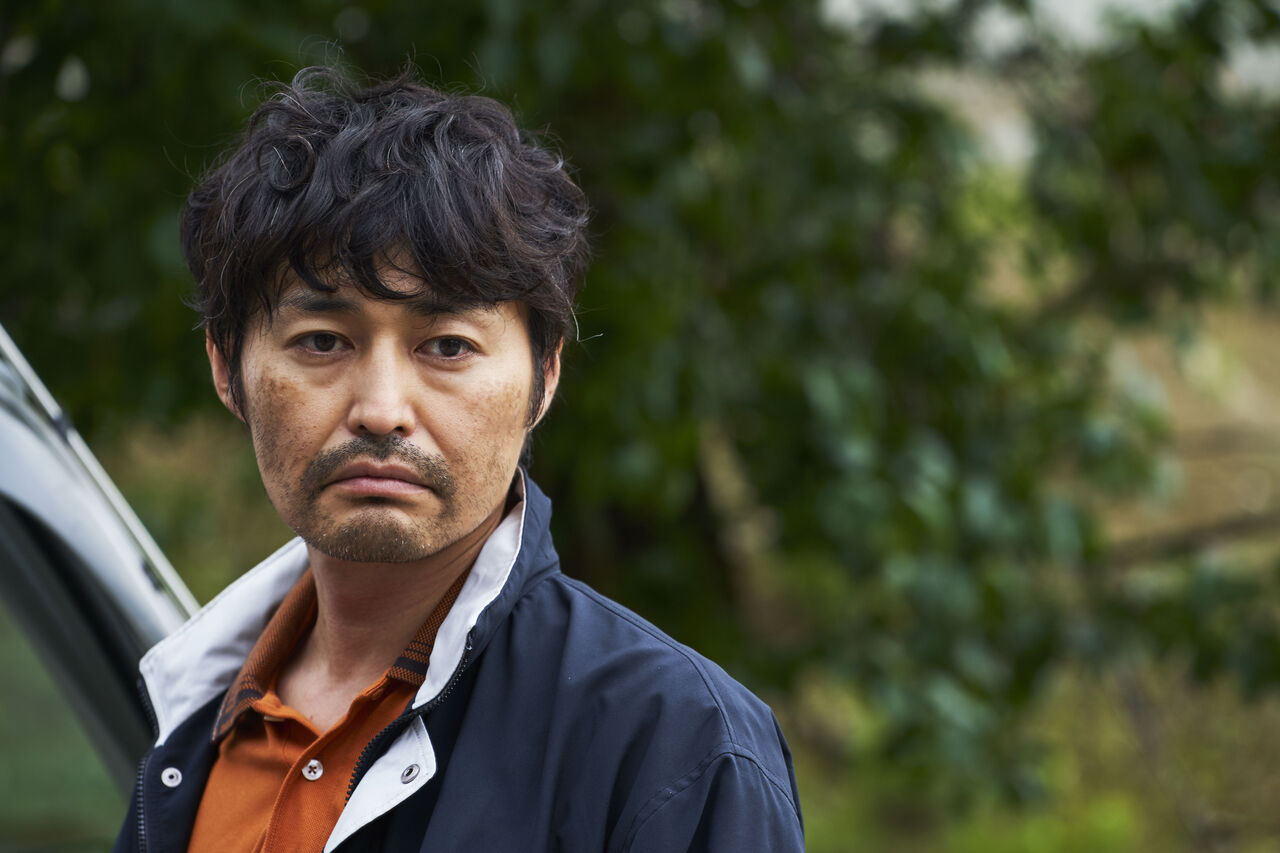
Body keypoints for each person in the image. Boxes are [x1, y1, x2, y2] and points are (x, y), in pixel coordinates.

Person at [114, 65, 804, 852]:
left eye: (447, 346)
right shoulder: (192, 722)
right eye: (322, 341)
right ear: (225, 366)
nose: (381, 409)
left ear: (545, 376)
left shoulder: (676, 748)